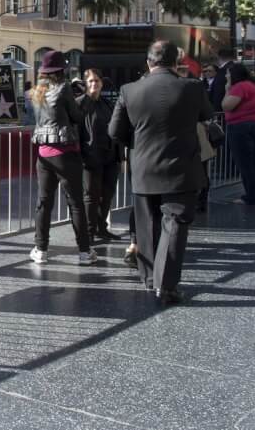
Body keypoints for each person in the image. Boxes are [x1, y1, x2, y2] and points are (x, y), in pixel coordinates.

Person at [109, 41, 213, 305]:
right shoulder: (193, 87)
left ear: (148, 62)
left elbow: (114, 131)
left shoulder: (129, 90)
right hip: (182, 169)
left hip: (143, 167)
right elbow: (206, 115)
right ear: (175, 62)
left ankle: (149, 279)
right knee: (175, 225)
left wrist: (138, 144)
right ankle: (165, 284)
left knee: (146, 226)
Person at [29, 51, 96, 265]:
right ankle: (85, 252)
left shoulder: (35, 92)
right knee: (75, 203)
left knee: (44, 202)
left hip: (43, 154)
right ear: (61, 70)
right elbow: (76, 116)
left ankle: (41, 250)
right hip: (65, 153)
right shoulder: (64, 88)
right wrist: (83, 98)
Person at [77, 69, 121, 241]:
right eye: (90, 81)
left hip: (109, 156)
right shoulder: (79, 104)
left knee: (108, 193)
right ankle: (89, 232)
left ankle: (101, 227)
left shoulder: (108, 103)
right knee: (91, 196)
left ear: (102, 83)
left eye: (97, 80)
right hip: (89, 158)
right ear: (85, 84)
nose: (94, 84)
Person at [220, 63, 255, 205]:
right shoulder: (253, 87)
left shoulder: (239, 87)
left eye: (228, 74)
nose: (226, 76)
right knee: (254, 162)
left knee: (245, 163)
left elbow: (227, 105)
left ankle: (251, 196)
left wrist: (227, 89)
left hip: (241, 127)